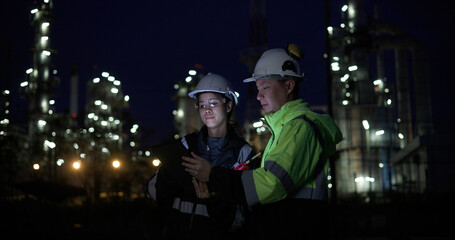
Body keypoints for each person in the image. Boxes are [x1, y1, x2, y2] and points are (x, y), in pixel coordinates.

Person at [183, 44, 343, 240]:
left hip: (297, 229)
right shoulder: (284, 130)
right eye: (257, 88)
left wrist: (214, 175)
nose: (258, 95)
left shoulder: (300, 128)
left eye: (265, 87)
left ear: (289, 85)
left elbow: (271, 184)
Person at [148, 73, 256, 240]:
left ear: (228, 106)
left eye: (213, 103)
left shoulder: (243, 152)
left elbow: (242, 218)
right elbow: (154, 193)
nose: (207, 110)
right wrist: (169, 173)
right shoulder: (186, 144)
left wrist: (214, 201)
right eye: (202, 105)